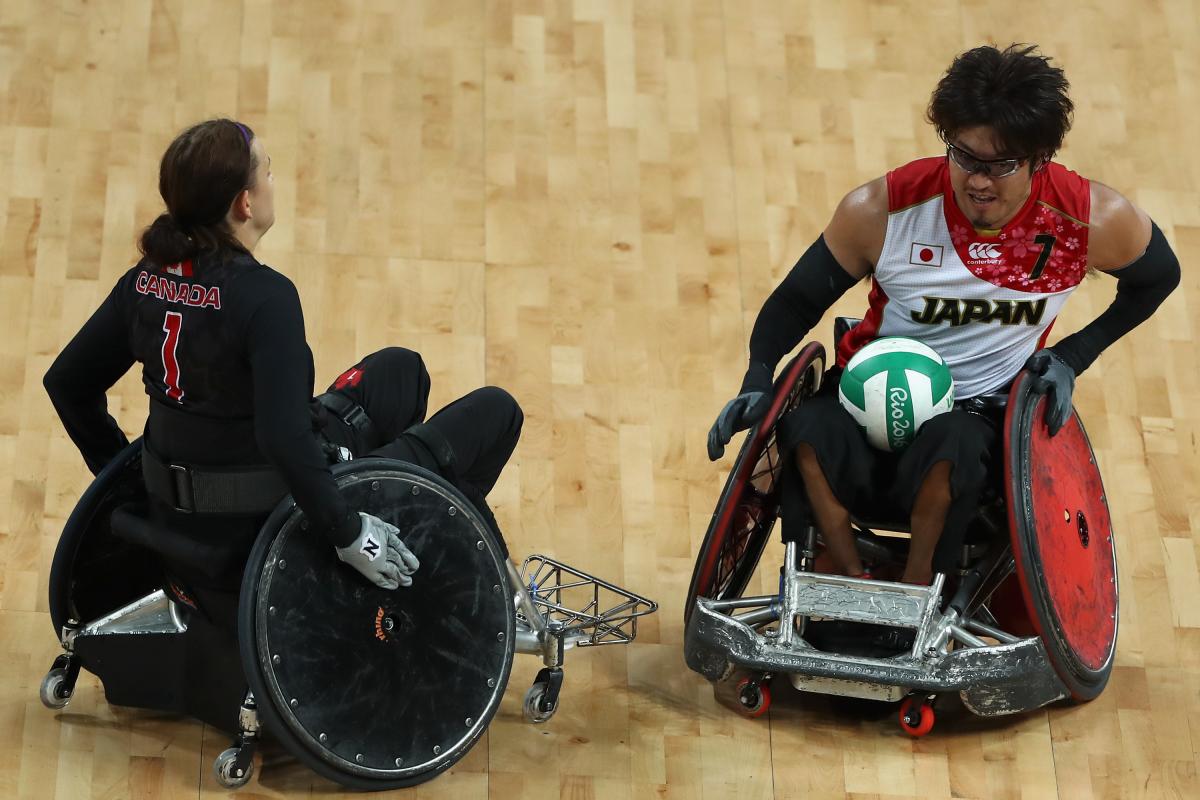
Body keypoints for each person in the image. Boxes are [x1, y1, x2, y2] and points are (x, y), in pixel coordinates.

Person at [707, 44, 1179, 586]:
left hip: (975, 413)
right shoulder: (883, 209)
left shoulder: (1087, 219)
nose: (978, 180)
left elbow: (1159, 278)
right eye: (964, 156)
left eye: (1000, 165)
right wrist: (757, 378)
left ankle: (917, 588)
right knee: (805, 427)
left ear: (1039, 158)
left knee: (952, 444)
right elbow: (794, 303)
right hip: (864, 393)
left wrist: (1074, 354)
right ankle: (840, 574)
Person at [44, 119, 523, 625]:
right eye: (267, 172)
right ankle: (412, 588)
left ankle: (398, 532)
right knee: (496, 412)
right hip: (270, 525)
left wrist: (131, 482)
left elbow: (67, 384)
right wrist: (348, 531)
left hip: (177, 519)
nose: (273, 181)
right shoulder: (265, 298)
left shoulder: (144, 281)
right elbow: (282, 438)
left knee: (400, 371)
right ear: (244, 204)